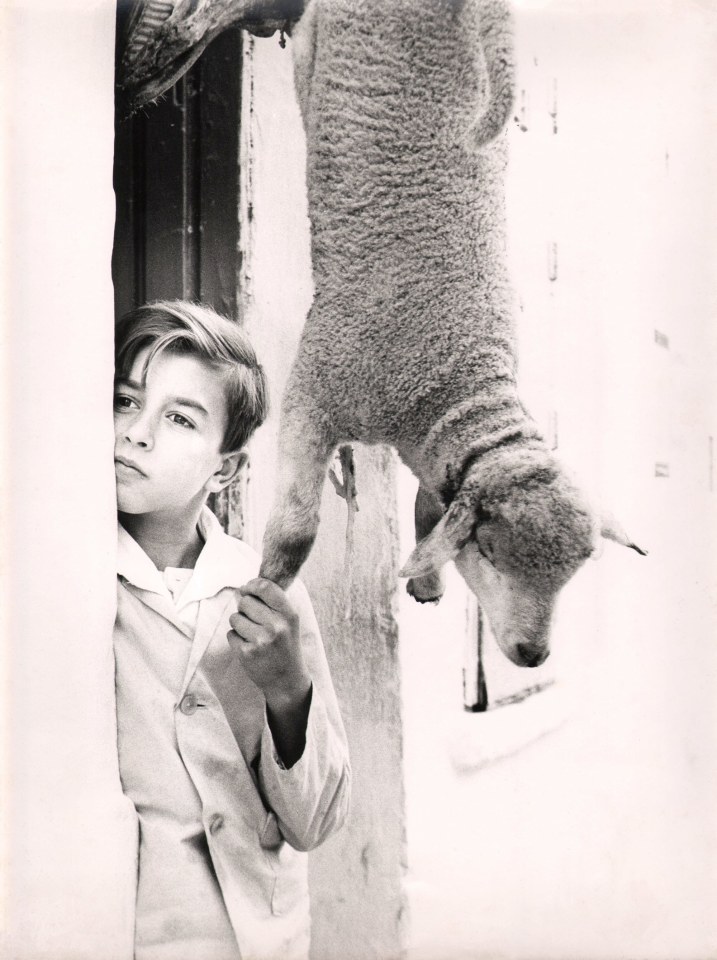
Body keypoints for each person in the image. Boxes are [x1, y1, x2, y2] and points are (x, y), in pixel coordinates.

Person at [113, 300, 351, 960]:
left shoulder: (267, 594)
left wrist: (286, 693)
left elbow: (317, 821)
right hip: (137, 936)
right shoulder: (69, 584)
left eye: (179, 418)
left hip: (260, 939)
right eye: (125, 401)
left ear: (225, 470)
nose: (136, 433)